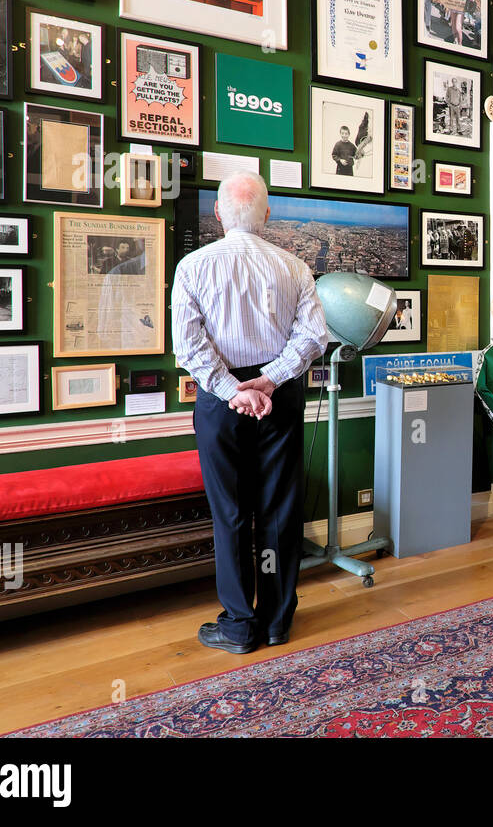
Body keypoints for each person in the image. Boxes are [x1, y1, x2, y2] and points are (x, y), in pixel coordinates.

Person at [172, 171, 328, 654]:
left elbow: (189, 344)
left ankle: (239, 626)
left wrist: (230, 389)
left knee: (231, 513)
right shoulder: (296, 267)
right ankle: (278, 620)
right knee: (281, 510)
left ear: (218, 213)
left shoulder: (193, 267)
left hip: (221, 402)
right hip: (277, 398)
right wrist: (270, 380)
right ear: (266, 214)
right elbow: (313, 338)